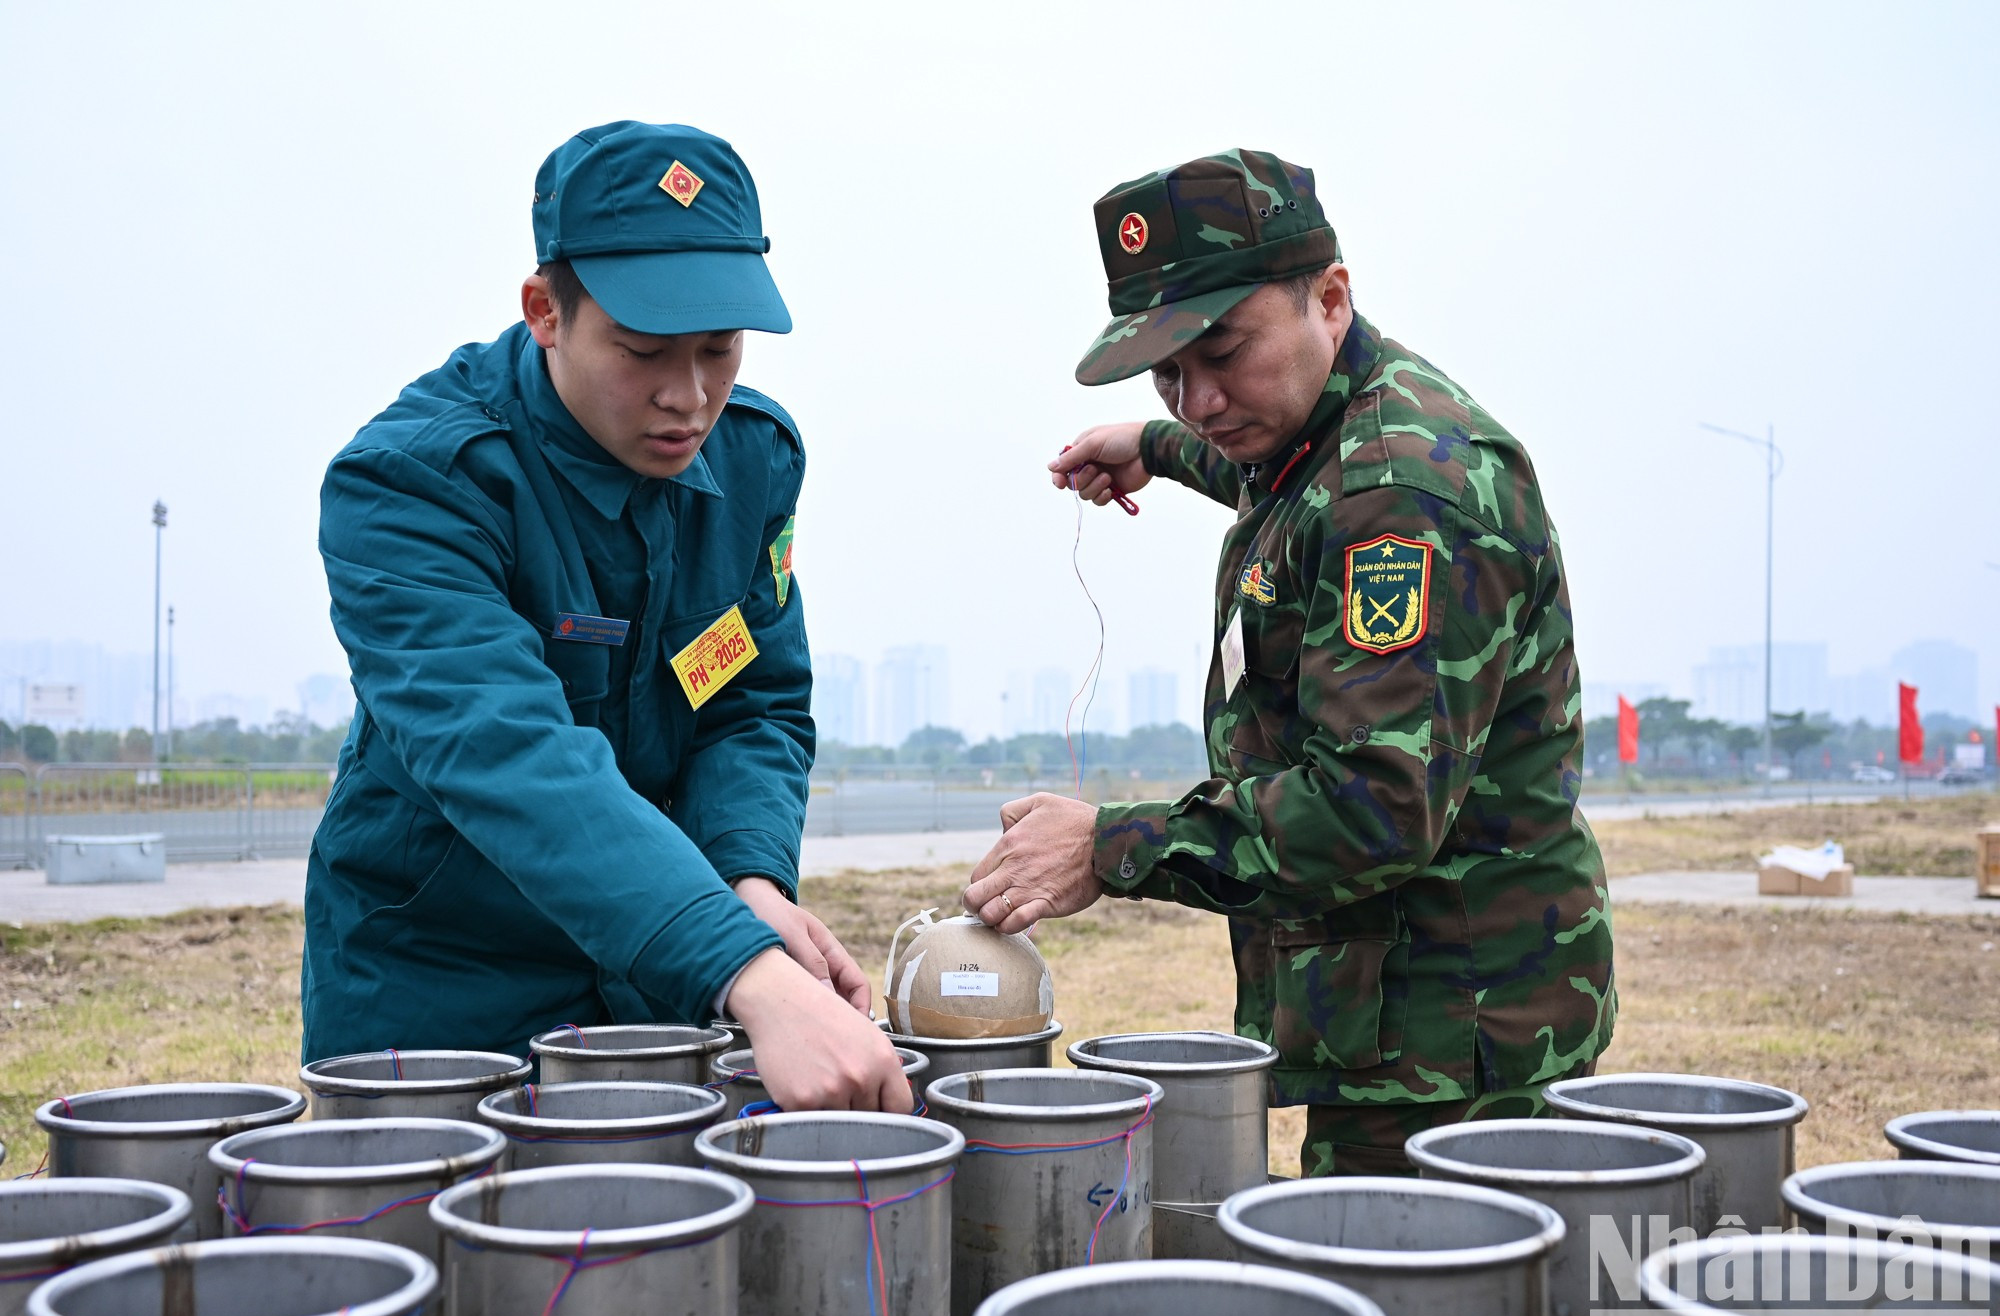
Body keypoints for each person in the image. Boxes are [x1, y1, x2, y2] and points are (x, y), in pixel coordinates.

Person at [963, 149, 1614, 1174]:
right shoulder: (1317, 435)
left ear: (1330, 297)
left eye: (1221, 352)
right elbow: (1276, 480)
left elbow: (1371, 807)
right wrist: (1150, 444)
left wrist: (1110, 845)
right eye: (1166, 373)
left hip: (1451, 1032)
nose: (1201, 400)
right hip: (1391, 1007)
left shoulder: (1400, 495)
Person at [305, 120, 909, 1113]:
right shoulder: (414, 484)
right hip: (444, 984)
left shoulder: (749, 461)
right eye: (642, 352)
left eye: (719, 350)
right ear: (546, 311)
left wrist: (748, 879)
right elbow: (507, 755)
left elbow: (747, 702)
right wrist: (746, 969)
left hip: (660, 971)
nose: (689, 398)